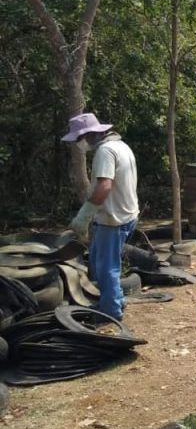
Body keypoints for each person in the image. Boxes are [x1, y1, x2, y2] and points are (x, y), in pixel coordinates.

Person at [62, 113, 139, 321]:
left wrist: (84, 215)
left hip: (114, 219)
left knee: (106, 268)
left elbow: (104, 186)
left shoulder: (105, 151)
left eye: (79, 139)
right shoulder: (121, 146)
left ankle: (110, 312)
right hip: (127, 213)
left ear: (89, 135)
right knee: (100, 262)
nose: (79, 144)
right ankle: (114, 300)